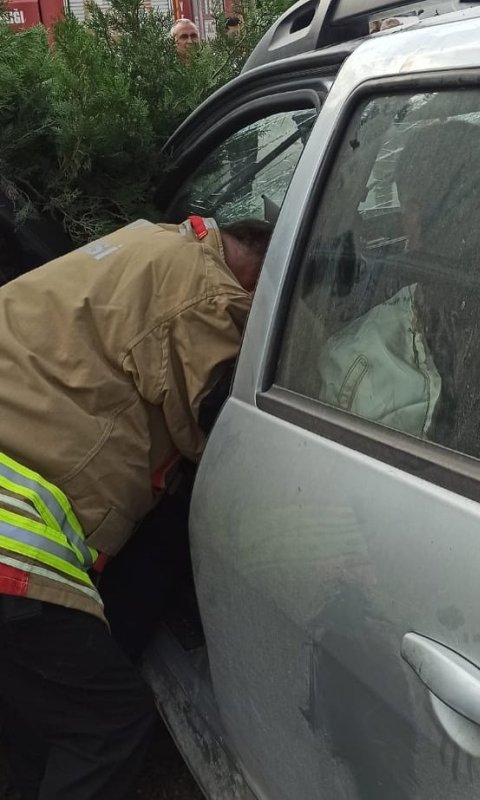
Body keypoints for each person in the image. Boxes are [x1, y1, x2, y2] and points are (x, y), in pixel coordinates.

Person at [0, 214, 272, 800]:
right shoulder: (209, 290)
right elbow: (224, 427)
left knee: (39, 714)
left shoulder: (150, 241)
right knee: (108, 722)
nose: (255, 315)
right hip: (11, 535)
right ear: (256, 270)